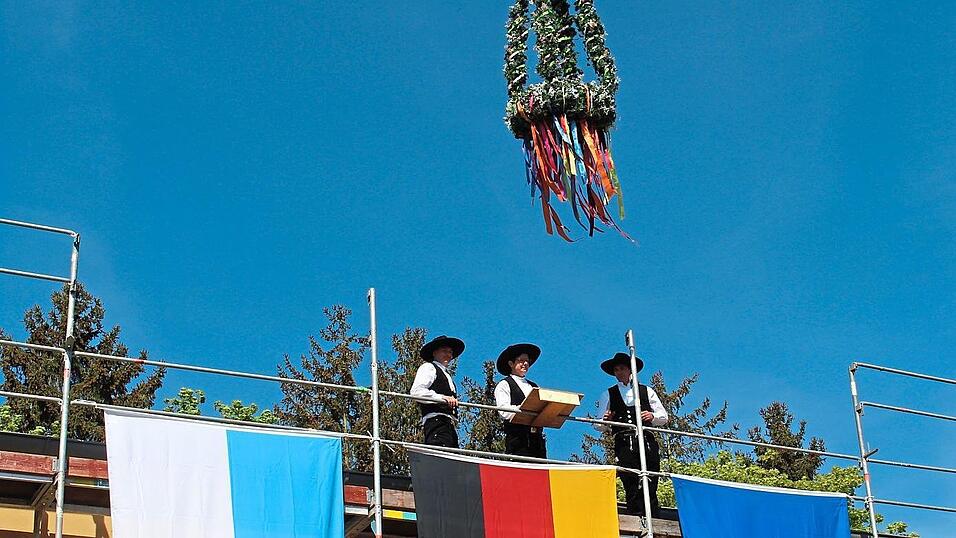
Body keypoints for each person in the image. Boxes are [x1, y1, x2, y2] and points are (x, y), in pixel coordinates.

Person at [595, 352, 668, 517]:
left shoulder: (646, 391)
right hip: (624, 442)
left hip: (646, 440)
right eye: (616, 370)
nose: (619, 372)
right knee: (630, 480)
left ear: (630, 370)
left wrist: (652, 416)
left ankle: (653, 516)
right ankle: (636, 515)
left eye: (622, 368)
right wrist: (606, 420)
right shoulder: (608, 394)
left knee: (650, 478)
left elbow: (663, 417)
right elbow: (598, 425)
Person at [410, 335, 464, 448]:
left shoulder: (447, 375)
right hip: (436, 422)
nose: (448, 355)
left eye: (450, 352)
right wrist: (442, 398)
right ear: (434, 353)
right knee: (441, 455)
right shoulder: (429, 367)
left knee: (452, 457)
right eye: (444, 351)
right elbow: (417, 391)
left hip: (448, 424)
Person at [493, 343, 546, 458]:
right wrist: (523, 409)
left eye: (527, 361)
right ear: (511, 363)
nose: (525, 364)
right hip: (517, 439)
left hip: (536, 440)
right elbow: (503, 411)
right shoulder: (504, 384)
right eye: (521, 361)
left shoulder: (534, 386)